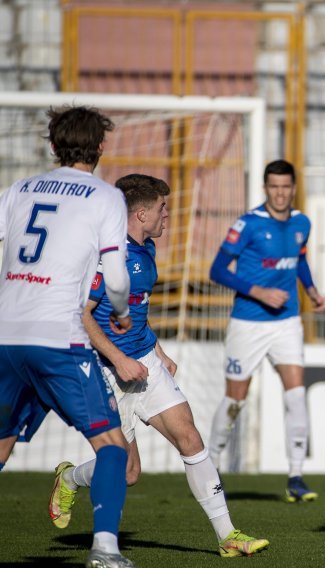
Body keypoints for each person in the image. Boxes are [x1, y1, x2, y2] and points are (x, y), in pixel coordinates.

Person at [48, 174, 269, 557]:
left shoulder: (146, 248)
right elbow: (81, 315)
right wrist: (119, 360)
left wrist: (157, 350)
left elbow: (136, 311)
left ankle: (228, 535)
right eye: (163, 209)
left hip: (144, 362)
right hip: (108, 371)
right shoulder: (107, 255)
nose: (168, 216)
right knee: (129, 473)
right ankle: (69, 478)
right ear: (142, 212)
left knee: (190, 438)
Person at [0, 105, 135, 568]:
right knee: (112, 446)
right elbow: (115, 279)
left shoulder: (18, 190)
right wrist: (119, 313)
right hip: (59, 336)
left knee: (0, 443)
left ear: (54, 145)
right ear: (100, 146)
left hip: (6, 335)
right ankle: (105, 549)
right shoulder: (104, 198)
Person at [207, 159, 325, 502]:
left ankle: (296, 475)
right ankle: (209, 465)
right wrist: (257, 291)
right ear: (265, 188)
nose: (280, 193)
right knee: (235, 400)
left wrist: (313, 290)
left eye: (285, 187)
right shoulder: (247, 224)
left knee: (296, 393)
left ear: (293, 188)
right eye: (273, 187)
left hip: (287, 322)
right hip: (248, 323)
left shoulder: (302, 222)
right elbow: (217, 270)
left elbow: (299, 259)